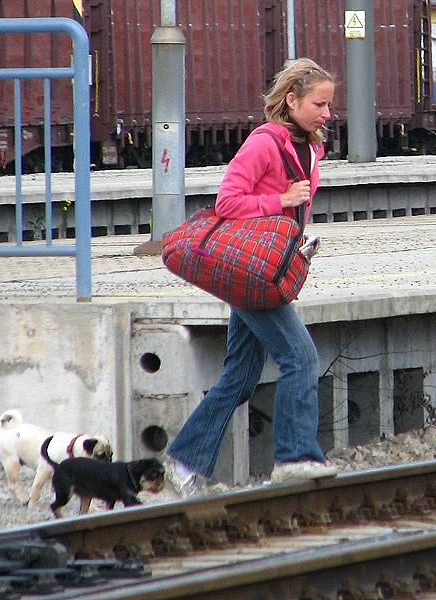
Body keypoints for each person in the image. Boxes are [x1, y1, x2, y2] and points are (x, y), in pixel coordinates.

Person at [164, 58, 338, 495]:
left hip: (267, 268)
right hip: (251, 269)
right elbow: (227, 203)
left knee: (240, 378)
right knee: (301, 358)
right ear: (292, 100)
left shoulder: (312, 148)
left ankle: (183, 461)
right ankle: (294, 457)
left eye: (329, 105)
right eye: (319, 104)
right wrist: (279, 199)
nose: (327, 113)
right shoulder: (264, 143)